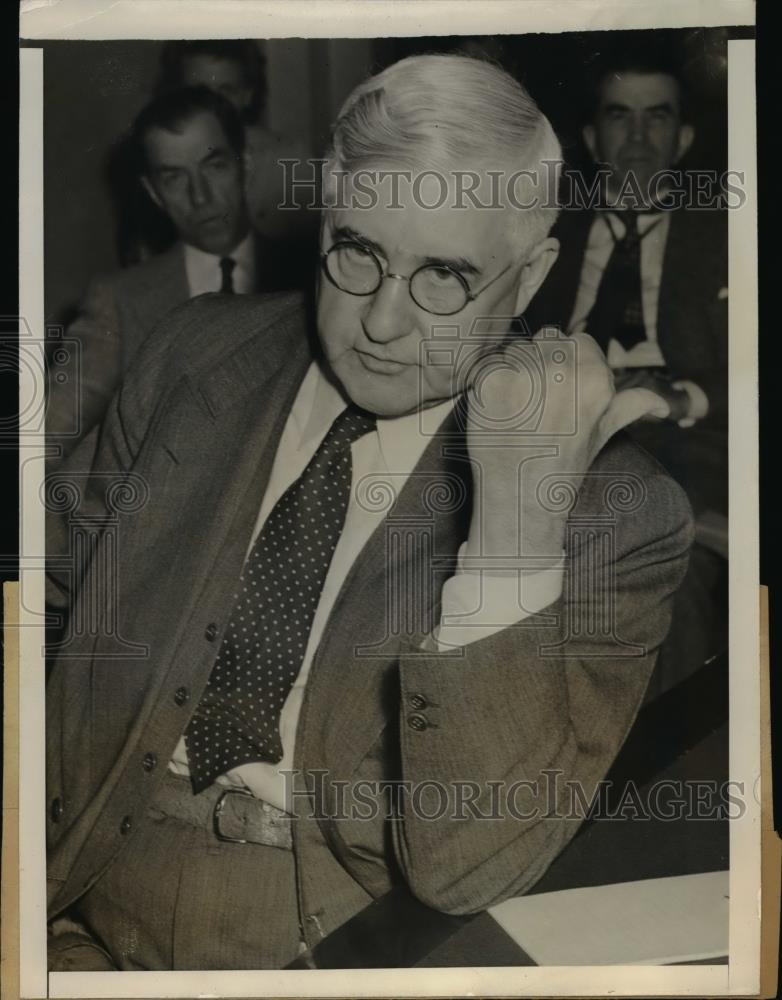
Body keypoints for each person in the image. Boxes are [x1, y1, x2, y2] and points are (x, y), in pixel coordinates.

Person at [45, 54, 692, 971]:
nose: (382, 322)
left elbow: (472, 864)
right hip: (70, 884)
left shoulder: (615, 516)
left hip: (323, 941)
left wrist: (511, 528)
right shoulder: (196, 352)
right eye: (358, 252)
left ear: (534, 272)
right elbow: (50, 601)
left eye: (445, 276)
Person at [524, 45, 728, 693]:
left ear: (685, 136)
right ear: (590, 136)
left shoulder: (726, 235)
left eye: (657, 117)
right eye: (620, 116)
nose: (638, 135)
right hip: (561, 445)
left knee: (674, 583)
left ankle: (652, 771)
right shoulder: (543, 233)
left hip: (684, 448)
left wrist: (682, 394)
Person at [47, 85, 300, 463]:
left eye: (214, 166)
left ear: (244, 165)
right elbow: (44, 440)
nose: (200, 196)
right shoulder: (121, 301)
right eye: (174, 178)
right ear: (153, 193)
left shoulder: (307, 275)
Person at [156, 39, 314, 245]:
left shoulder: (288, 158)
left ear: (247, 96)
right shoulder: (163, 161)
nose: (211, 106)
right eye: (198, 92)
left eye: (226, 91)